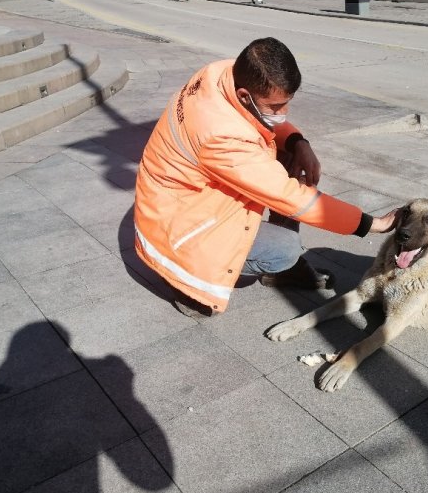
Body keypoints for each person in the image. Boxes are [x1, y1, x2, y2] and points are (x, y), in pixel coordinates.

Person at [134, 37, 397, 318]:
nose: (283, 114)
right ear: (246, 95)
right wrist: (371, 224)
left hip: (182, 199)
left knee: (284, 154)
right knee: (284, 250)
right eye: (275, 107)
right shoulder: (219, 135)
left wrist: (298, 142)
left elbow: (257, 121)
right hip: (177, 234)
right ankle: (188, 285)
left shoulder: (221, 73)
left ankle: (283, 272)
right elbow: (290, 196)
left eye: (287, 103)